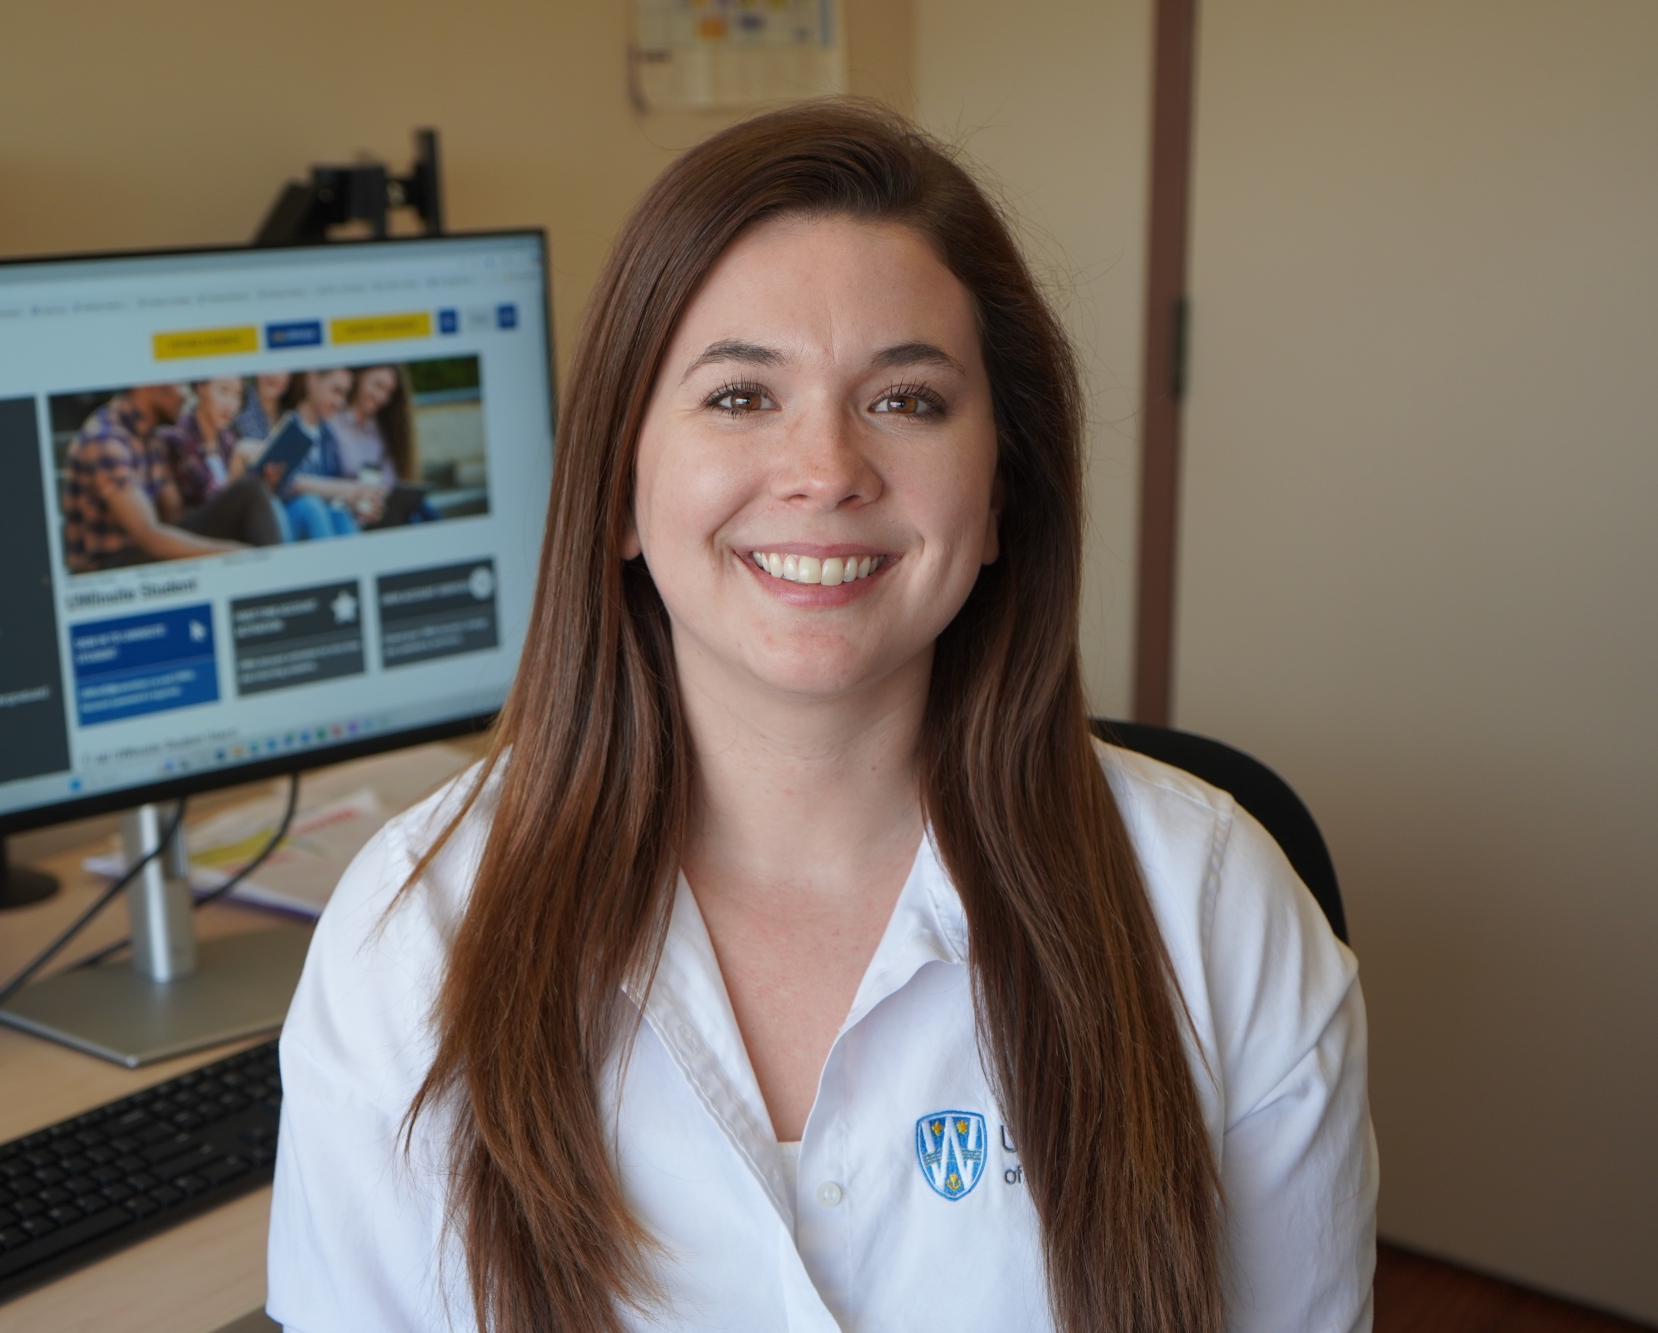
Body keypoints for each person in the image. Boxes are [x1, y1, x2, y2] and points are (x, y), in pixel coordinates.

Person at [267, 102, 1376, 1333]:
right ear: (621, 489)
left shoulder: (1212, 905)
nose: (825, 469)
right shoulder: (408, 936)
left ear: (1000, 493)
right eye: (740, 396)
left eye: (904, 401)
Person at [60, 383, 276, 573]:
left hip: (142, 551)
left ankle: (276, 582)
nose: (185, 395)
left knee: (248, 492)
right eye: (179, 385)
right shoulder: (106, 439)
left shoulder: (151, 437)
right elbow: (148, 536)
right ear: (150, 386)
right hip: (108, 568)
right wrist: (235, 554)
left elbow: (175, 516)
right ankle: (271, 581)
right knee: (239, 531)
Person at [153, 377, 288, 542]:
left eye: (237, 395)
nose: (230, 404)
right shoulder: (177, 439)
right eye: (223, 391)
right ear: (201, 387)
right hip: (195, 538)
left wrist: (267, 480)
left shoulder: (228, 440)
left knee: (279, 504)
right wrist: (237, 462)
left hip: (234, 533)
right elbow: (215, 506)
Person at [273, 367, 380, 531]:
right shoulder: (285, 425)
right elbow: (286, 481)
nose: (340, 402)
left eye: (344, 394)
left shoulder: (327, 436)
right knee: (311, 506)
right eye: (336, 390)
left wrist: (356, 503)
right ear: (312, 379)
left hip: (325, 519)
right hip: (289, 519)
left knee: (340, 513)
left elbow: (334, 495)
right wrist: (345, 490)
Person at [330, 364, 438, 525]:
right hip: (350, 514)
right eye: (378, 385)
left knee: (424, 510)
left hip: (380, 511)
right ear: (360, 376)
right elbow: (332, 494)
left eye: (388, 392)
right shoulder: (333, 425)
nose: (382, 397)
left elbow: (389, 482)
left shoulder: (379, 433)